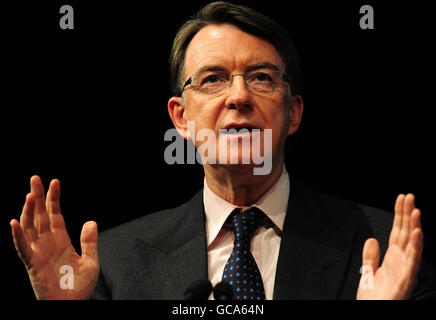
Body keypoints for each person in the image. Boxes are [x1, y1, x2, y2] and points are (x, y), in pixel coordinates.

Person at [10, 1, 436, 300]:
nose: (239, 96)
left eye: (262, 78)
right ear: (180, 118)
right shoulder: (115, 265)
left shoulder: (383, 250)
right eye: (212, 78)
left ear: (294, 113)